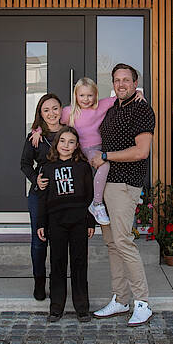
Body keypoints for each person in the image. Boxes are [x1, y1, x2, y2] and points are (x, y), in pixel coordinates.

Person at [91, 63, 157, 326]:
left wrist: (105, 156)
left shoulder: (141, 110)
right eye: (117, 80)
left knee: (123, 241)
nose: (121, 84)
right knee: (112, 244)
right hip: (105, 184)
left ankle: (142, 302)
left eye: (126, 80)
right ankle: (120, 299)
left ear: (135, 82)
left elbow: (141, 152)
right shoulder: (113, 107)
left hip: (124, 184)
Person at [31, 78, 144, 225]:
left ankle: (127, 195)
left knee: (114, 160)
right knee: (104, 166)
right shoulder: (69, 111)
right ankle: (97, 204)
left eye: (90, 95)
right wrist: (38, 130)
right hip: (85, 149)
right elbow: (53, 121)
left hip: (100, 148)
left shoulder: (101, 105)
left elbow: (123, 95)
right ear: (75, 96)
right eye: (82, 95)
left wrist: (139, 94)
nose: (86, 99)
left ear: (96, 95)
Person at [35, 126, 97, 322]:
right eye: (62, 141)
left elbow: (90, 196)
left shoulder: (83, 167)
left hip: (78, 221)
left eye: (71, 142)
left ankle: (82, 307)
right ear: (56, 143)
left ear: (77, 145)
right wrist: (41, 223)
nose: (66, 145)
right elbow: (42, 198)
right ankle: (56, 307)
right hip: (56, 222)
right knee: (57, 264)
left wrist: (90, 221)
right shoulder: (47, 167)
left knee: (79, 264)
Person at [20, 93, 63, 301]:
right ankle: (39, 281)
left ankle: (57, 283)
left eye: (55, 108)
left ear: (62, 110)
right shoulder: (35, 137)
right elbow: (25, 164)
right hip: (40, 195)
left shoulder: (69, 132)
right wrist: (35, 178)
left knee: (58, 240)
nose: (51, 113)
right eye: (46, 110)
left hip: (62, 195)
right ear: (40, 113)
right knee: (39, 240)